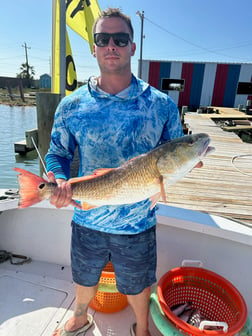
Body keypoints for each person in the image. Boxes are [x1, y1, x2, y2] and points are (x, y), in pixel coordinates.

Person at [47, 8, 185, 336]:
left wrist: (191, 160)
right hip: (86, 216)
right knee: (84, 276)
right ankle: (80, 317)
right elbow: (58, 153)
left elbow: (175, 152)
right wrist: (60, 180)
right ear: (93, 48)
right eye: (102, 39)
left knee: (138, 283)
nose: (112, 45)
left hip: (139, 219)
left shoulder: (161, 104)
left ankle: (142, 329)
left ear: (132, 47)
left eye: (120, 39)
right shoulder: (72, 105)